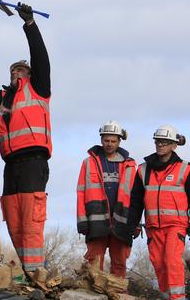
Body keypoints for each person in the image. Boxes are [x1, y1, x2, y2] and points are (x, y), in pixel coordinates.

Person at [0, 3, 51, 277]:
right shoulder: (5, 100)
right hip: (11, 165)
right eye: (12, 70)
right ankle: (27, 271)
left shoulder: (39, 88)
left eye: (20, 69)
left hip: (34, 162)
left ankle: (36, 275)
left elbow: (41, 57)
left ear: (29, 74)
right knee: (13, 220)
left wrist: (30, 25)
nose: (15, 72)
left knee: (31, 221)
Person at [127, 125, 189, 300]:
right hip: (153, 227)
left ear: (174, 145)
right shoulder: (143, 170)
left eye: (165, 142)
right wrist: (133, 225)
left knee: (172, 261)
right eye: (158, 141)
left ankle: (178, 298)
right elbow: (136, 202)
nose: (160, 144)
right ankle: (166, 296)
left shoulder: (185, 169)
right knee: (159, 264)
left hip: (176, 225)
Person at [76, 121, 137, 278]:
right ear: (101, 140)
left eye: (113, 141)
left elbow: (136, 198)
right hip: (96, 222)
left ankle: (118, 294)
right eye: (106, 140)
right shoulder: (89, 163)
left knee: (119, 263)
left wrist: (136, 224)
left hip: (121, 222)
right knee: (93, 263)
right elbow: (81, 192)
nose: (109, 144)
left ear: (119, 141)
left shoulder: (130, 165)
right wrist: (82, 221)